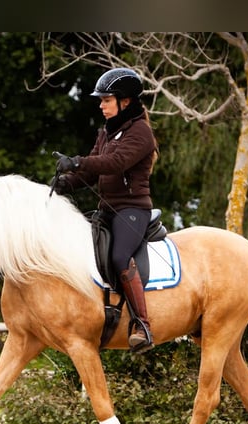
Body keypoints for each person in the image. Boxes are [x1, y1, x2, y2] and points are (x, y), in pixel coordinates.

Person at [53, 67, 159, 354]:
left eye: (106, 100)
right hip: (107, 210)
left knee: (120, 256)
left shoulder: (141, 133)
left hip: (133, 210)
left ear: (125, 101)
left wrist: (77, 162)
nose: (101, 105)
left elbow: (114, 163)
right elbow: (91, 174)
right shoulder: (106, 132)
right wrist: (62, 184)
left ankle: (142, 324)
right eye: (100, 101)